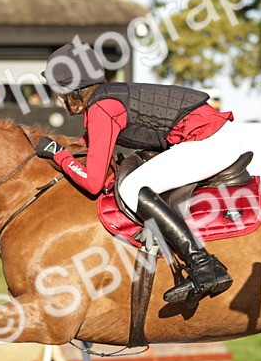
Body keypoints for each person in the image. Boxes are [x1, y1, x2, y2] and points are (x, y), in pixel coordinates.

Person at [35, 40, 236, 307]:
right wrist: (59, 148)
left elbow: (93, 184)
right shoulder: (107, 99)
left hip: (209, 142)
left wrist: (57, 154)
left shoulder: (103, 108)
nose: (57, 99)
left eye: (58, 92)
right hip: (211, 137)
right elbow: (90, 147)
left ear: (73, 90)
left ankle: (203, 265)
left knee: (132, 188)